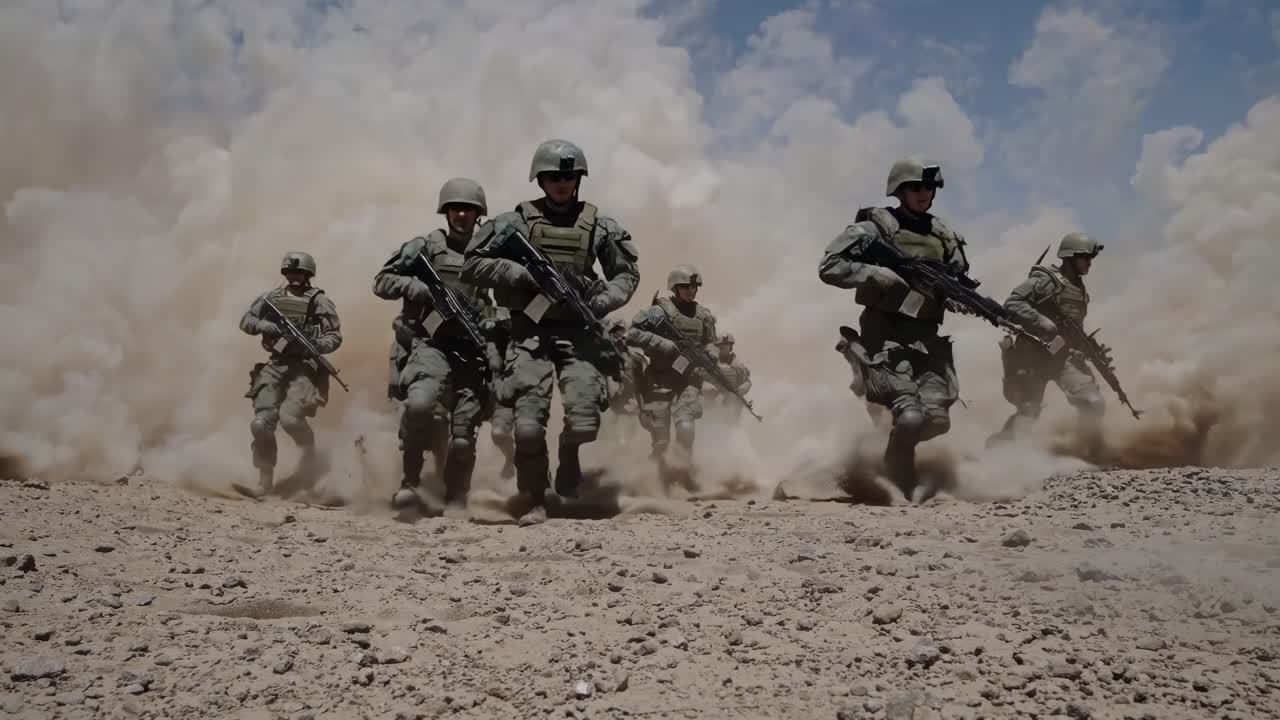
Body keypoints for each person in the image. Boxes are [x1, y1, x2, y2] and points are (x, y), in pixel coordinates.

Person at [462, 139, 639, 525]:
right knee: (527, 428)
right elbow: (472, 264)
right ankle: (535, 495)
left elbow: (626, 275)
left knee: (585, 423)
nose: (562, 182)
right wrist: (521, 274)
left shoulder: (599, 225)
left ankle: (569, 453)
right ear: (540, 179)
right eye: (554, 176)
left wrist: (600, 302)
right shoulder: (515, 223)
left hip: (580, 332)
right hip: (530, 333)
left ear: (579, 179)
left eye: (569, 176)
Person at [818, 158, 969, 503]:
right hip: (884, 334)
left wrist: (957, 295)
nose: (924, 193)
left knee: (937, 419)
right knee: (911, 415)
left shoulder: (943, 235)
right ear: (899, 190)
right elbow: (830, 266)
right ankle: (897, 477)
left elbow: (957, 277)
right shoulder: (876, 228)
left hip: (926, 339)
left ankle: (881, 457)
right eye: (915, 187)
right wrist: (876, 274)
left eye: (929, 187)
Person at [374, 177, 492, 509]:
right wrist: (413, 287)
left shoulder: (488, 255)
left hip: (471, 350)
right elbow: (381, 281)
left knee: (463, 436)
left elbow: (504, 300)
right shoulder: (424, 247)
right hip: (430, 344)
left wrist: (492, 321)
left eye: (468, 209)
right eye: (456, 208)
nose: (462, 215)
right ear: (446, 211)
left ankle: (455, 494)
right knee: (420, 405)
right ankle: (410, 481)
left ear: (478, 214)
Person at [987, 232, 1107, 453]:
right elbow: (1012, 303)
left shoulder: (1079, 290)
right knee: (1028, 413)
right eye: (1084, 257)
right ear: (1069, 257)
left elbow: (1074, 329)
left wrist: (1088, 348)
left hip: (1062, 358)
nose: (1089, 262)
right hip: (1032, 356)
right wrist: (1043, 323)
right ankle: (999, 450)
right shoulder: (1045, 280)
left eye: (1091, 258)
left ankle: (1088, 452)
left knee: (1092, 402)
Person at [238, 251, 343, 498]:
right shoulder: (271, 298)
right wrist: (265, 325)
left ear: (308, 275)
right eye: (291, 272)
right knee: (261, 424)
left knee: (290, 419)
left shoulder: (319, 300)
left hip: (305, 367)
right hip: (275, 365)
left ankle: (310, 461)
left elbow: (334, 335)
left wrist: (315, 345)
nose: (295, 277)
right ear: (285, 272)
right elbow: (246, 321)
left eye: (300, 273)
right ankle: (265, 480)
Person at [627, 265, 718, 478]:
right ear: (674, 288)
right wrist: (662, 344)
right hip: (659, 379)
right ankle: (658, 476)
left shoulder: (703, 316)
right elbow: (631, 334)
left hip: (688, 380)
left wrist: (710, 356)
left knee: (685, 427)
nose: (691, 291)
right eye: (685, 287)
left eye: (694, 287)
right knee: (661, 437)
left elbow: (710, 342)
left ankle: (682, 471)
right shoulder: (658, 312)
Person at [703, 332, 752, 419]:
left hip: (731, 402)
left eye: (727, 345)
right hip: (711, 402)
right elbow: (701, 380)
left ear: (730, 347)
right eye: (721, 346)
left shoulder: (738, 366)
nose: (724, 348)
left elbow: (747, 382)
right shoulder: (709, 363)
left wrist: (741, 390)